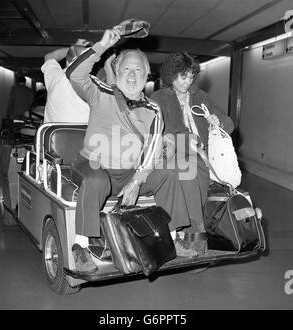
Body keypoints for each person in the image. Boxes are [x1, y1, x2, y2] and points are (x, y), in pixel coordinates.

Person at [66, 29, 200, 274]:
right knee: (96, 179)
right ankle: (81, 246)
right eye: (126, 68)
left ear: (147, 74)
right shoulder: (100, 92)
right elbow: (74, 74)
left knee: (169, 173)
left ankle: (171, 238)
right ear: (116, 71)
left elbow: (151, 151)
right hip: (92, 165)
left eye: (138, 69)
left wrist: (137, 181)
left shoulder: (153, 110)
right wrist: (101, 46)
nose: (132, 74)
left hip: (128, 173)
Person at [151, 52, 234, 253]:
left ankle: (194, 232)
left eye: (190, 77)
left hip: (201, 155)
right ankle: (196, 231)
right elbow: (157, 133)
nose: (188, 82)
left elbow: (229, 124)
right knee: (186, 170)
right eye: (183, 76)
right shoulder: (158, 98)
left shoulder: (201, 96)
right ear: (172, 75)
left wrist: (217, 121)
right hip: (174, 153)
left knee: (189, 169)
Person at [42, 39, 91, 123]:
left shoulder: (55, 78)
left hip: (52, 135)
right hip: (83, 135)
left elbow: (49, 57)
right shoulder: (94, 85)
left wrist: (73, 48)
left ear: (67, 60)